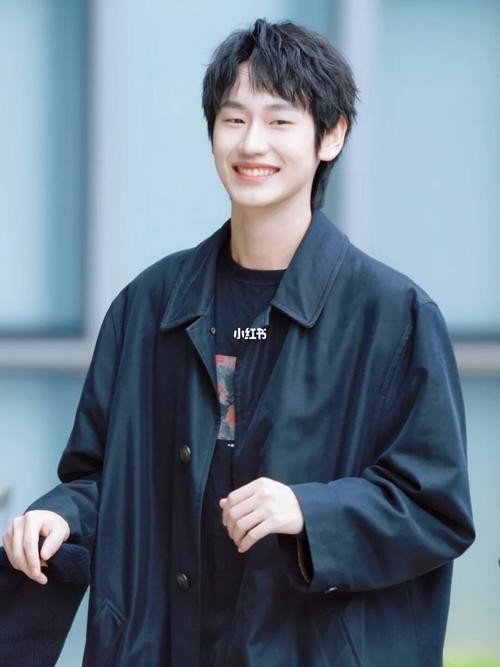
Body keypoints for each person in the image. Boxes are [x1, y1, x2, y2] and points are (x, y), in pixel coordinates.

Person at [1, 17, 475, 667]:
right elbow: (102, 477)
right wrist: (59, 515)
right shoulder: (148, 306)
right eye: (234, 119)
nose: (253, 142)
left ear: (331, 135)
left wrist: (309, 510)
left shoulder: (395, 318)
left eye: (280, 121)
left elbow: (436, 508)